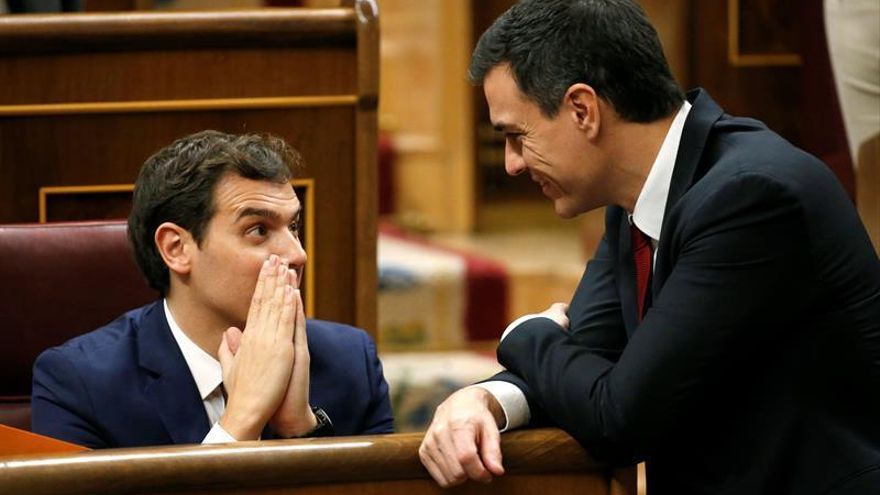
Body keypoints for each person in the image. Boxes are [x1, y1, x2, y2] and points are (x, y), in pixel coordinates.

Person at [418, 1, 880, 494]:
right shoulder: (634, 199)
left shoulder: (752, 196)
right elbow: (584, 358)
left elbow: (620, 418)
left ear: (582, 110)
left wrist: (523, 333)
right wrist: (489, 397)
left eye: (517, 136)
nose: (511, 164)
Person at [32, 131, 394, 448]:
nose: (297, 254)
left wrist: (300, 429)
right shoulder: (80, 384)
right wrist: (240, 422)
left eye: (293, 227)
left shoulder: (351, 362)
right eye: (259, 230)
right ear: (177, 248)